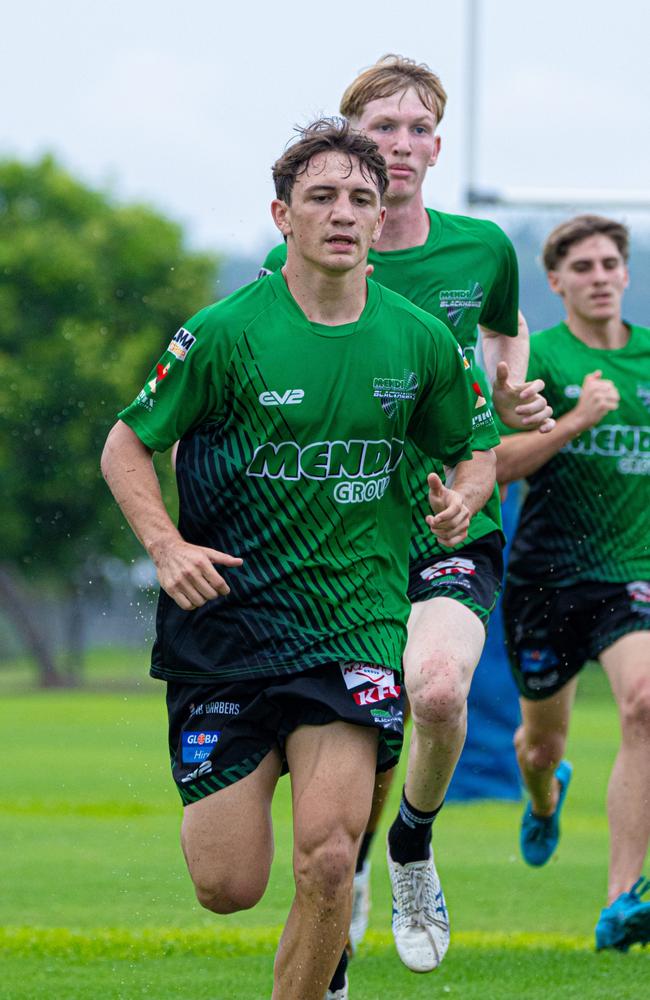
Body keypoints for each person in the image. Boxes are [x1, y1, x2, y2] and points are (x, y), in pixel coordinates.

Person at [101, 119, 496, 1000]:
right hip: (228, 632)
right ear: (283, 215)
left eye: (362, 197)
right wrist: (165, 547)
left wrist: (464, 495)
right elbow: (124, 444)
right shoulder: (224, 333)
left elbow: (473, 445)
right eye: (322, 197)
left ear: (381, 210)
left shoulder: (423, 338)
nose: (345, 213)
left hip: (352, 629)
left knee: (325, 860)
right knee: (228, 886)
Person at [261, 54, 553, 975]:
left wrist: (510, 395)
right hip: (343, 536)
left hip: (455, 517)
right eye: (381, 128)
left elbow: (505, 338)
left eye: (417, 128)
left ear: (436, 144)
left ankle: (413, 847)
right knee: (360, 742)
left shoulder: (483, 250)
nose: (400, 145)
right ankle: (334, 906)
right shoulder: (302, 255)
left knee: (434, 690)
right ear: (351, 141)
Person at [497, 214, 650, 952]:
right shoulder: (541, 363)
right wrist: (576, 419)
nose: (598, 275)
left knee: (645, 704)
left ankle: (621, 900)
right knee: (538, 746)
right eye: (581, 266)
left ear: (626, 273)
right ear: (555, 281)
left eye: (609, 263)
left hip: (631, 575)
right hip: (545, 582)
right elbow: (497, 465)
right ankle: (544, 796)